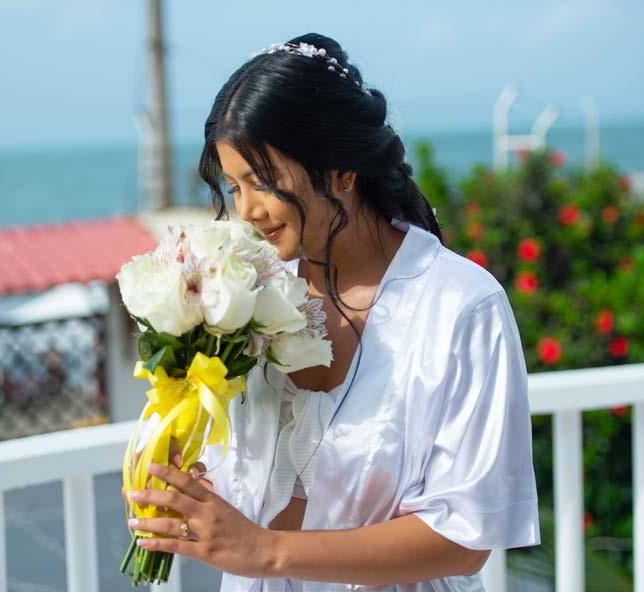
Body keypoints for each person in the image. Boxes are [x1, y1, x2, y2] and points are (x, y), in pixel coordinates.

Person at [126, 32, 540, 591]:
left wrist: (265, 552)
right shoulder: (245, 290)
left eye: (263, 181)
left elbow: (464, 540)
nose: (247, 211)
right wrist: (188, 485)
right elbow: (252, 482)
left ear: (343, 169)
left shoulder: (460, 306)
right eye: (233, 186)